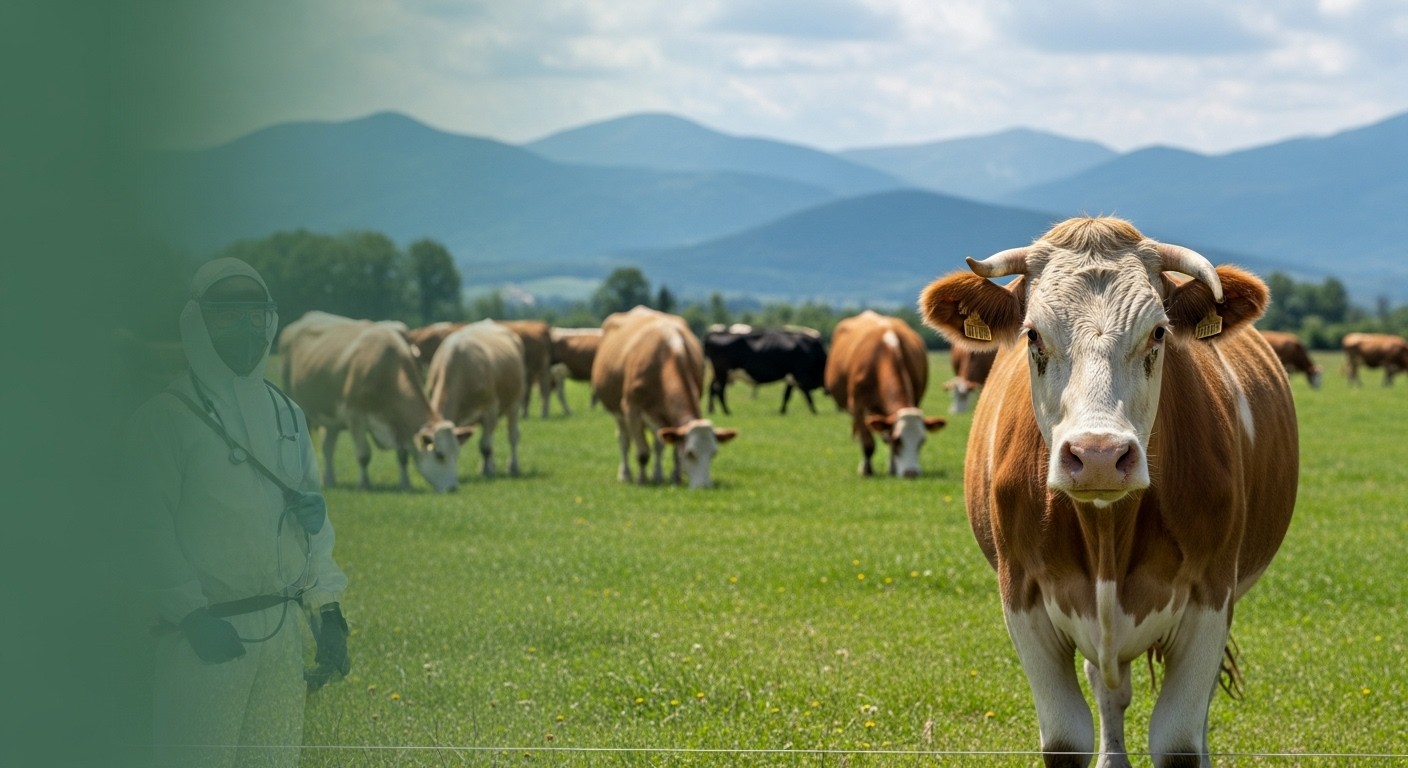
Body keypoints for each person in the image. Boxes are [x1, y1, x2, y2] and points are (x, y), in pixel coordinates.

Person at [125, 258, 350, 767]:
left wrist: (328, 608)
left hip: (282, 635)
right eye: (227, 314)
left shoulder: (285, 412)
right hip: (204, 637)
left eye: (256, 313)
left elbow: (312, 519)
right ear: (197, 321)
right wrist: (189, 613)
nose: (245, 327)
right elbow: (143, 528)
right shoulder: (164, 419)